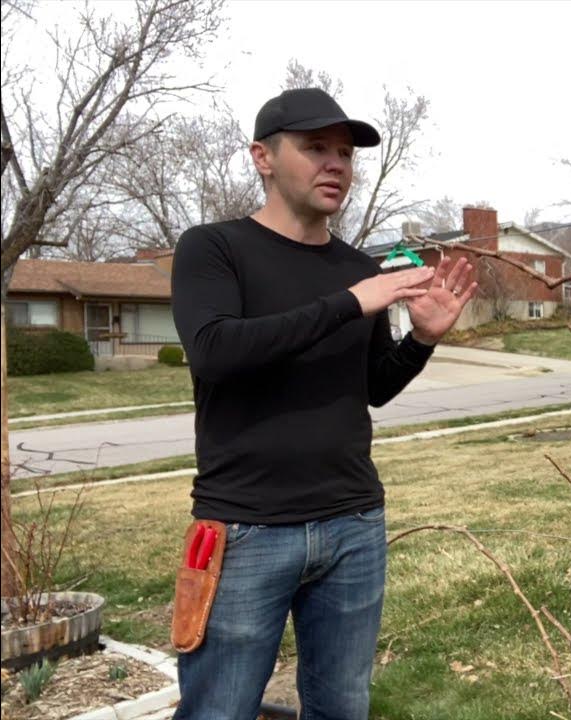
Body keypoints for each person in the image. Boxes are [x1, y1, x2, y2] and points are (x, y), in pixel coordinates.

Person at [169, 87, 477, 718]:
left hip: (353, 526)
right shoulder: (214, 247)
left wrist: (421, 339)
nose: (336, 164)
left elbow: (372, 389)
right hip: (245, 529)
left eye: (345, 153)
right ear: (263, 157)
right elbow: (215, 351)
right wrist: (351, 301)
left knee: (342, 707)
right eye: (315, 148)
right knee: (217, 710)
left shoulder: (356, 267)